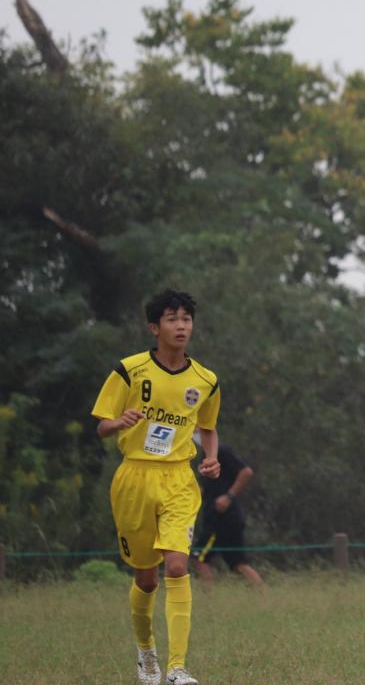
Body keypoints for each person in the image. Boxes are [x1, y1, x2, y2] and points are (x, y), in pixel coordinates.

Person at [92, 289, 221, 685]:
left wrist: (211, 457)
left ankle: (177, 667)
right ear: (154, 327)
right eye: (172, 319)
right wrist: (120, 422)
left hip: (179, 478)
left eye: (186, 319)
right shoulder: (129, 370)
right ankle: (146, 653)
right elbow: (102, 425)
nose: (181, 326)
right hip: (135, 477)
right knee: (146, 579)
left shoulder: (206, 380)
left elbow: (208, 427)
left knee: (178, 565)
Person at [191, 439, 265, 589]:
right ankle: (265, 596)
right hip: (223, 517)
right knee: (238, 564)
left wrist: (228, 496)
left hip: (221, 519)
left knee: (199, 558)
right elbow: (205, 488)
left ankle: (209, 598)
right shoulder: (204, 455)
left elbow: (246, 472)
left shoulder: (221, 450)